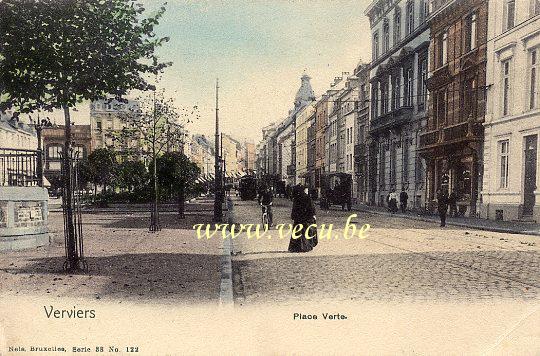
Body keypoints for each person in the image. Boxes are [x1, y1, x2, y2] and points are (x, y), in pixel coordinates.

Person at [288, 185, 316, 253]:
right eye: (306, 190)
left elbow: (294, 209)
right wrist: (313, 215)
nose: (307, 191)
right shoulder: (308, 198)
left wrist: (293, 216)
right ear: (304, 191)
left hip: (298, 218)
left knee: (297, 232)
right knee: (306, 231)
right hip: (307, 218)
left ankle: (295, 247)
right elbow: (312, 208)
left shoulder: (296, 198)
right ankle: (306, 246)